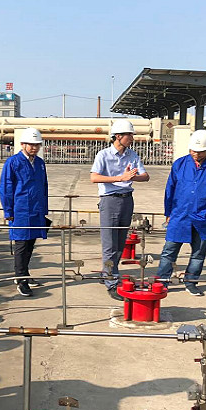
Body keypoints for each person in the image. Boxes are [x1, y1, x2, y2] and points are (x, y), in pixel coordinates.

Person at [156, 129, 206, 296]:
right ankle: (162, 281)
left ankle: (191, 282)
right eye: (193, 150)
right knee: (169, 251)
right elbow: (170, 189)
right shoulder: (180, 164)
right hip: (180, 215)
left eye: (200, 151)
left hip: (204, 217)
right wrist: (168, 212)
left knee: (198, 253)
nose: (196, 154)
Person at [90, 119, 150, 301]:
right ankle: (111, 282)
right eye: (129, 135)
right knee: (109, 244)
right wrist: (120, 178)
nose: (132, 138)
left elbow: (145, 176)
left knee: (119, 243)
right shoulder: (103, 155)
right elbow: (94, 177)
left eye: (132, 135)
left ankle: (108, 273)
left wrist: (133, 177)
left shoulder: (132, 155)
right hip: (110, 200)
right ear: (118, 136)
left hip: (126, 200)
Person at [0, 128, 49, 297]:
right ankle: (20, 279)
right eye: (31, 144)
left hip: (36, 210)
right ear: (22, 144)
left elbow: (44, 186)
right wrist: (8, 211)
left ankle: (24, 273)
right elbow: (6, 187)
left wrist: (44, 208)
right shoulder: (13, 162)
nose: (34, 148)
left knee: (31, 244)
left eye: (37, 145)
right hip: (20, 210)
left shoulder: (39, 163)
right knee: (21, 245)